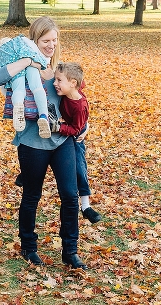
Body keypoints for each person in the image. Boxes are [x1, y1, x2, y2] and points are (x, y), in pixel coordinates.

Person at [0, 16, 87, 269]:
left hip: (62, 140)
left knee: (70, 194)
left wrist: (84, 126)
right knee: (32, 195)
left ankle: (70, 251)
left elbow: (78, 101)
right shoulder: (22, 68)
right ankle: (29, 247)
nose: (51, 45)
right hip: (32, 143)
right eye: (45, 41)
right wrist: (27, 58)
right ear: (34, 40)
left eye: (54, 40)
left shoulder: (61, 72)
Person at [53, 62, 103, 224]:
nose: (55, 83)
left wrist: (59, 127)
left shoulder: (79, 105)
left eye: (59, 80)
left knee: (80, 168)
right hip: (70, 126)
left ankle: (86, 206)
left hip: (75, 135)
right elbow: (79, 77)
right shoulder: (73, 88)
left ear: (73, 83)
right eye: (55, 79)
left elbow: (75, 129)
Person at [0, 35, 51, 137]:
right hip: (31, 63)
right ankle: (43, 115)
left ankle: (18, 105)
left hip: (15, 71)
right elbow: (41, 62)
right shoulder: (25, 47)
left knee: (18, 89)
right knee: (37, 88)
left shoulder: (2, 57)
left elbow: (0, 82)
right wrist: (31, 61)